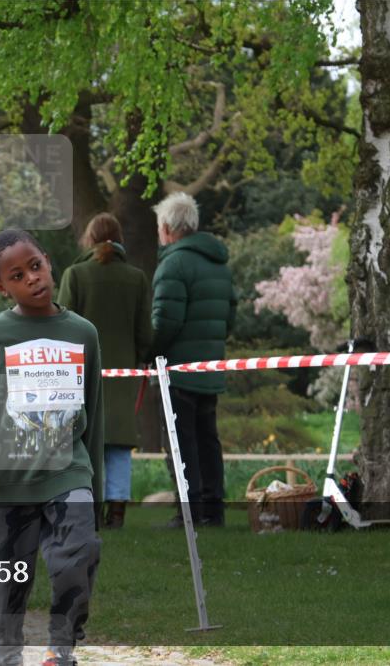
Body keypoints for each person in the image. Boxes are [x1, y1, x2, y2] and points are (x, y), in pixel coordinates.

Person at [0, 229, 103, 666]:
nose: (33, 279)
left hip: (68, 471)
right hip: (7, 482)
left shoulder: (83, 333)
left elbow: (93, 413)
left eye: (35, 266)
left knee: (79, 556)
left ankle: (61, 650)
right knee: (5, 586)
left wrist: (95, 487)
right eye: (18, 275)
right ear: (3, 288)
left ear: (48, 260)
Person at [58, 213, 151, 529]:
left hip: (81, 375)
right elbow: (144, 334)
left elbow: (62, 327)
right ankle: (117, 513)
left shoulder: (75, 275)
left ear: (89, 239)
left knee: (84, 443)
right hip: (123, 375)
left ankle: (88, 511)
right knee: (119, 445)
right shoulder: (136, 278)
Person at [151, 192, 236, 528]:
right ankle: (214, 510)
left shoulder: (173, 263)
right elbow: (230, 317)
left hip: (178, 370)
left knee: (180, 442)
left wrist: (149, 352)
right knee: (207, 440)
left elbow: (165, 322)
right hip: (210, 366)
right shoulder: (220, 263)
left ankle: (189, 511)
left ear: (169, 228)